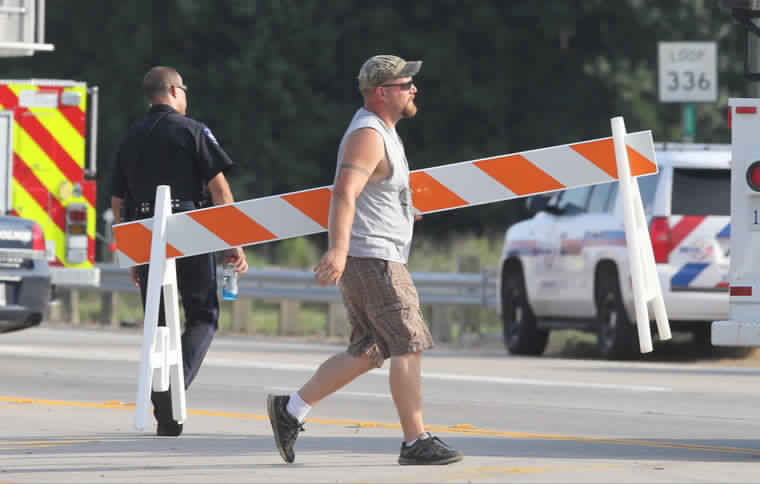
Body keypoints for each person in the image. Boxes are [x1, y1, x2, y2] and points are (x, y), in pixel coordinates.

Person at [266, 55, 463, 465]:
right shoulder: (369, 133)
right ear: (381, 92)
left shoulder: (385, 132)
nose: (413, 88)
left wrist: (405, 209)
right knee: (408, 344)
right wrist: (337, 250)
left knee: (370, 349)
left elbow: (375, 190)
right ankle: (415, 441)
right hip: (375, 258)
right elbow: (344, 192)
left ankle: (291, 411)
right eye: (405, 83)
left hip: (375, 255)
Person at [110, 66, 248, 436]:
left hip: (142, 230)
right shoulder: (193, 131)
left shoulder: (130, 136)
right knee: (202, 315)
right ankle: (173, 395)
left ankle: (166, 411)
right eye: (184, 89)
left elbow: (117, 201)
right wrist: (233, 241)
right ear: (173, 90)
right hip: (190, 227)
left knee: (158, 326)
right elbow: (219, 191)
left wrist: (133, 252)